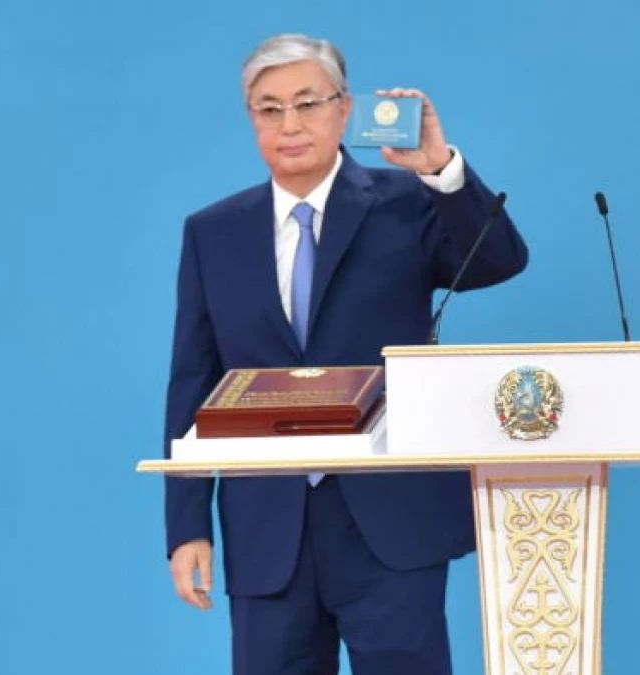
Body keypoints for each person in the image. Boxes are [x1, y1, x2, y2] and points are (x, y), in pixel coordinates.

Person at [162, 32, 528, 675]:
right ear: (251, 119)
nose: (290, 124)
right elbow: (194, 379)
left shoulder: (408, 201)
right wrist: (187, 524)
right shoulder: (212, 233)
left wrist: (441, 169)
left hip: (393, 519)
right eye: (270, 108)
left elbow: (497, 261)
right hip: (268, 525)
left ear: (344, 108)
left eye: (308, 103)